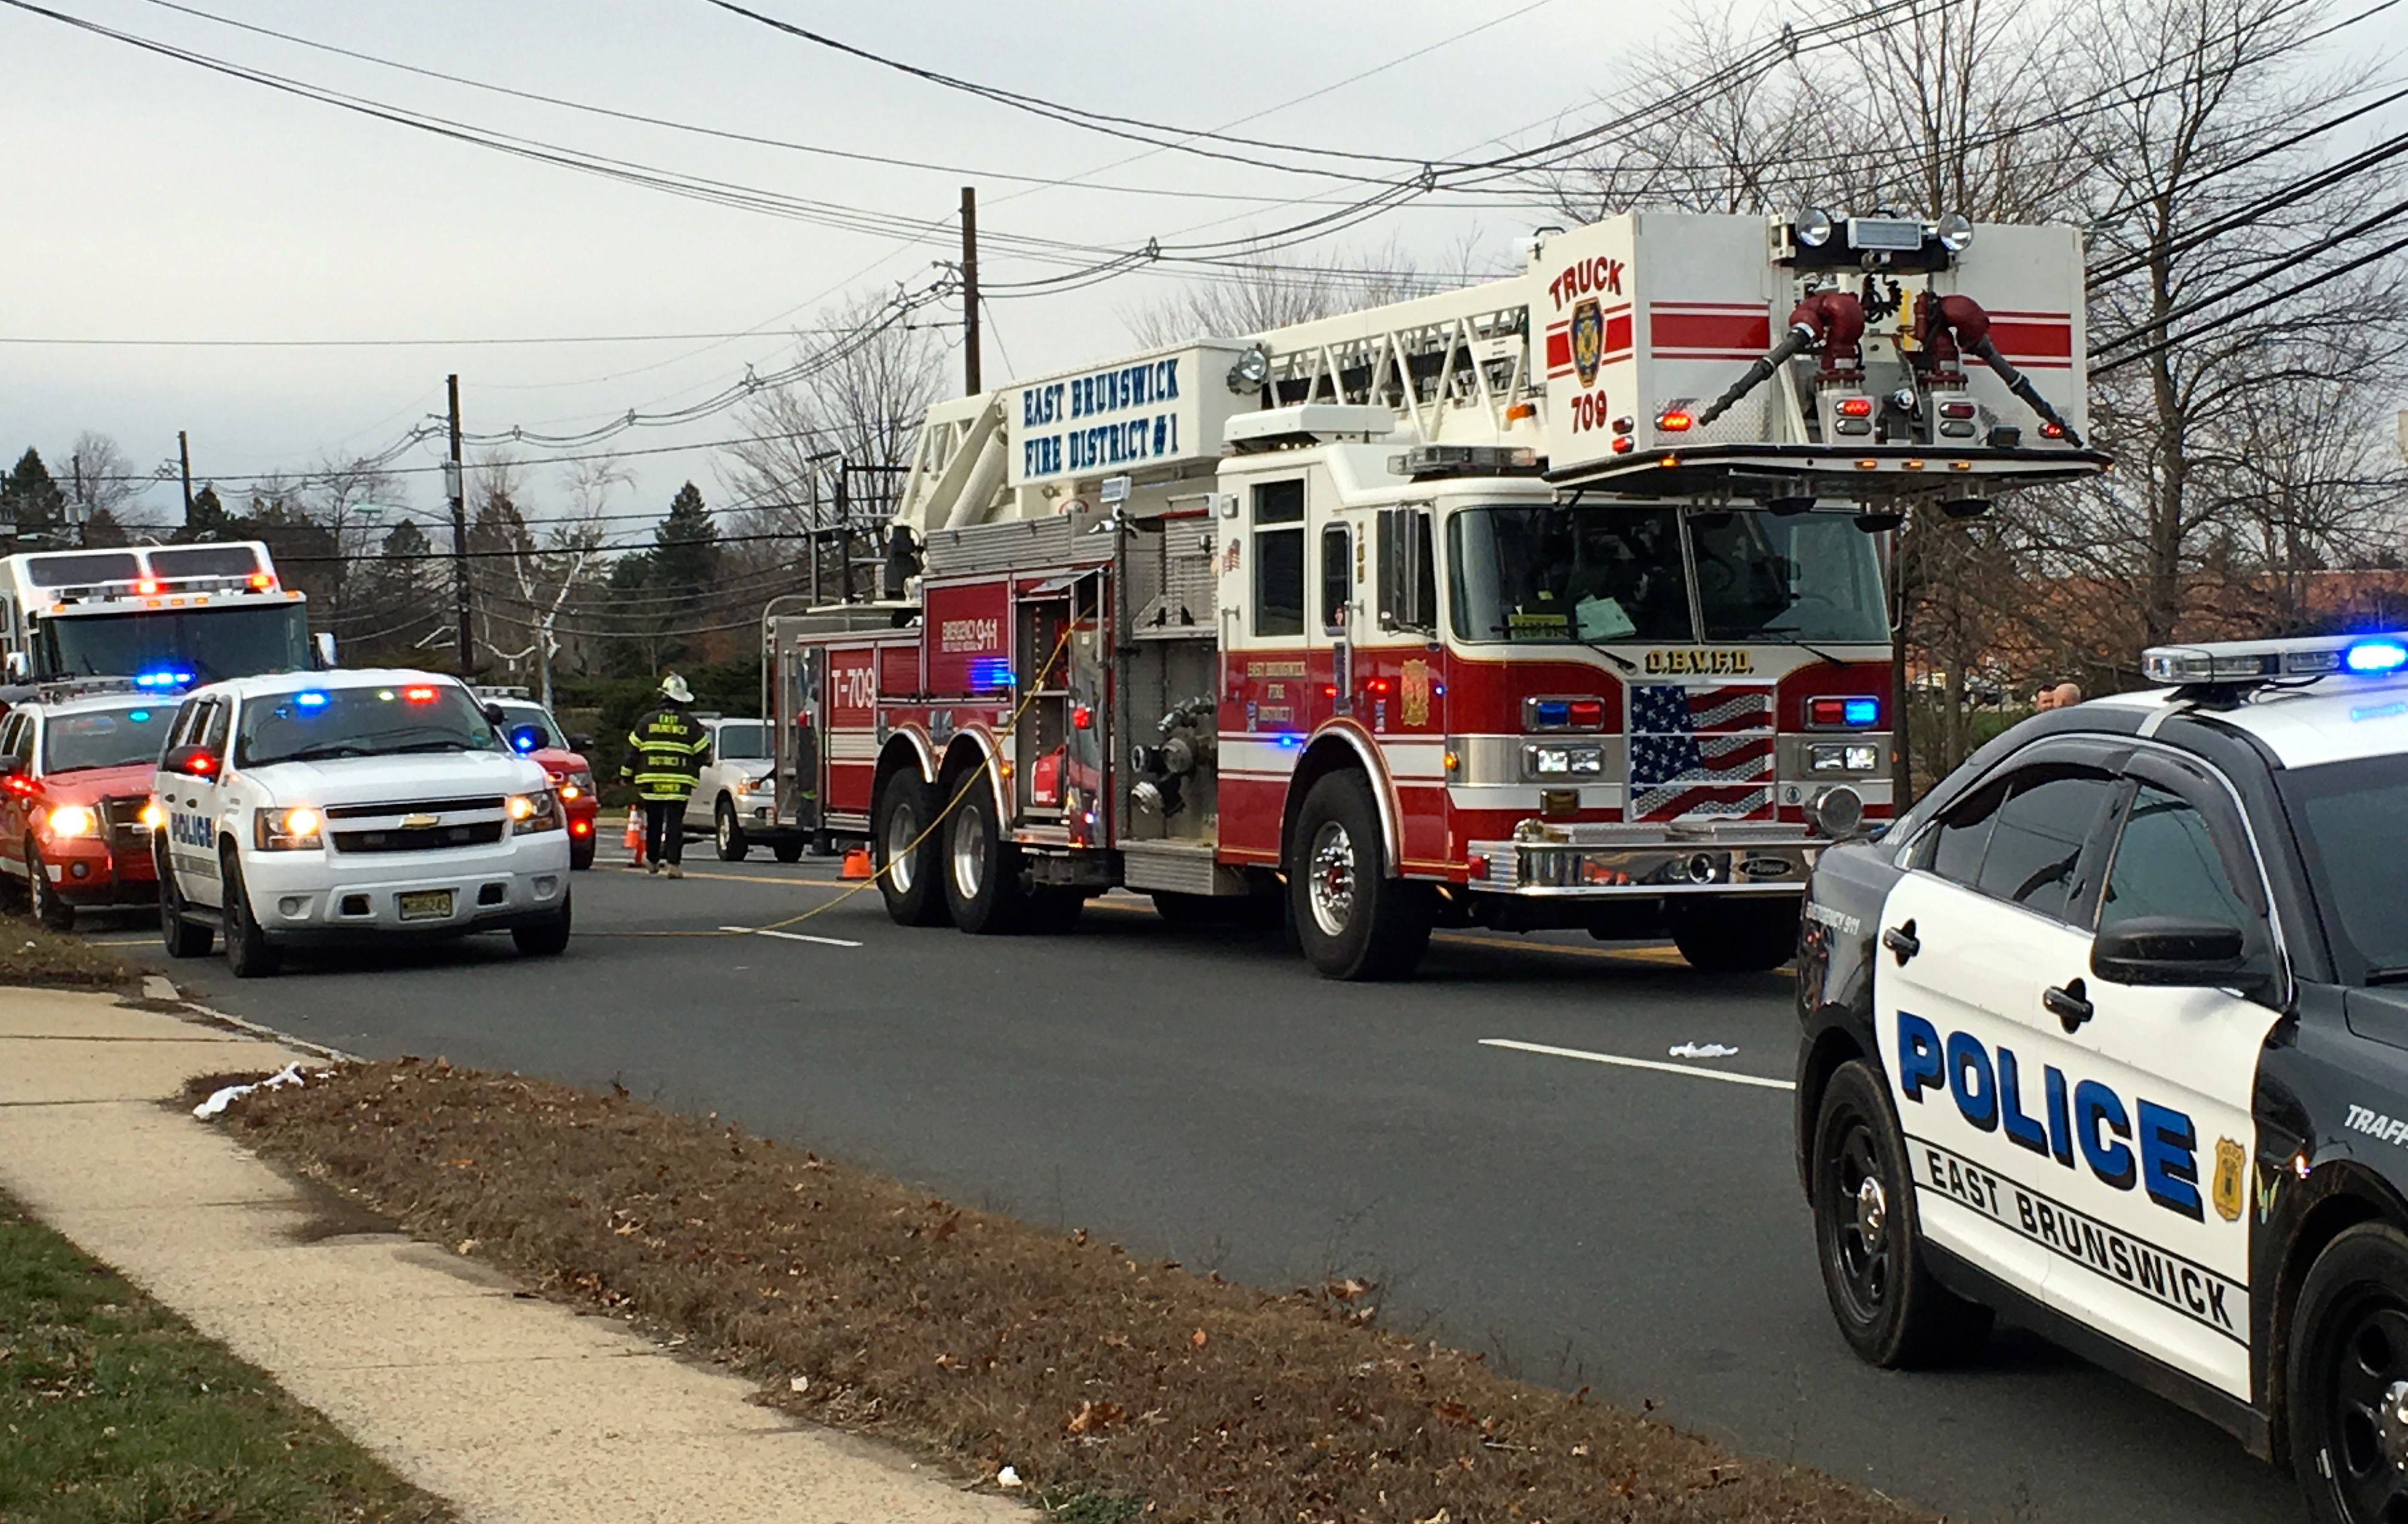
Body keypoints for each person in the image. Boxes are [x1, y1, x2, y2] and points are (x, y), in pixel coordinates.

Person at [621, 674, 711, 878]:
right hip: (680, 783)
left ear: (663, 695)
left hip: (651, 781)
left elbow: (633, 751)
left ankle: (652, 861)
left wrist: (626, 774)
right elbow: (703, 754)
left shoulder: (647, 721)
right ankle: (674, 865)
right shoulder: (691, 724)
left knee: (654, 821)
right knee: (674, 824)